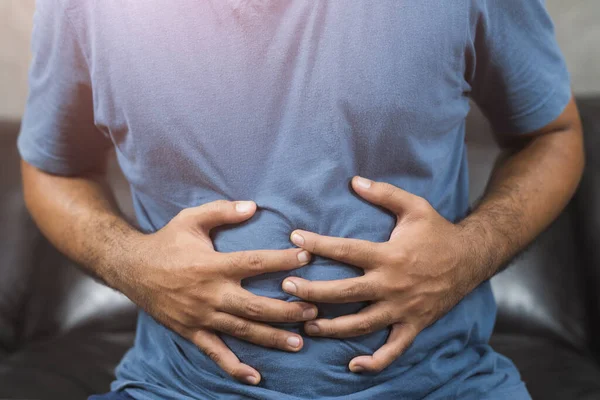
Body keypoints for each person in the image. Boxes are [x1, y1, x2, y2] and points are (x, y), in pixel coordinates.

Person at [18, 0, 583, 399]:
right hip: (175, 389)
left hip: (444, 386)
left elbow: (553, 138)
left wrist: (467, 255)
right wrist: (132, 264)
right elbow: (53, 170)